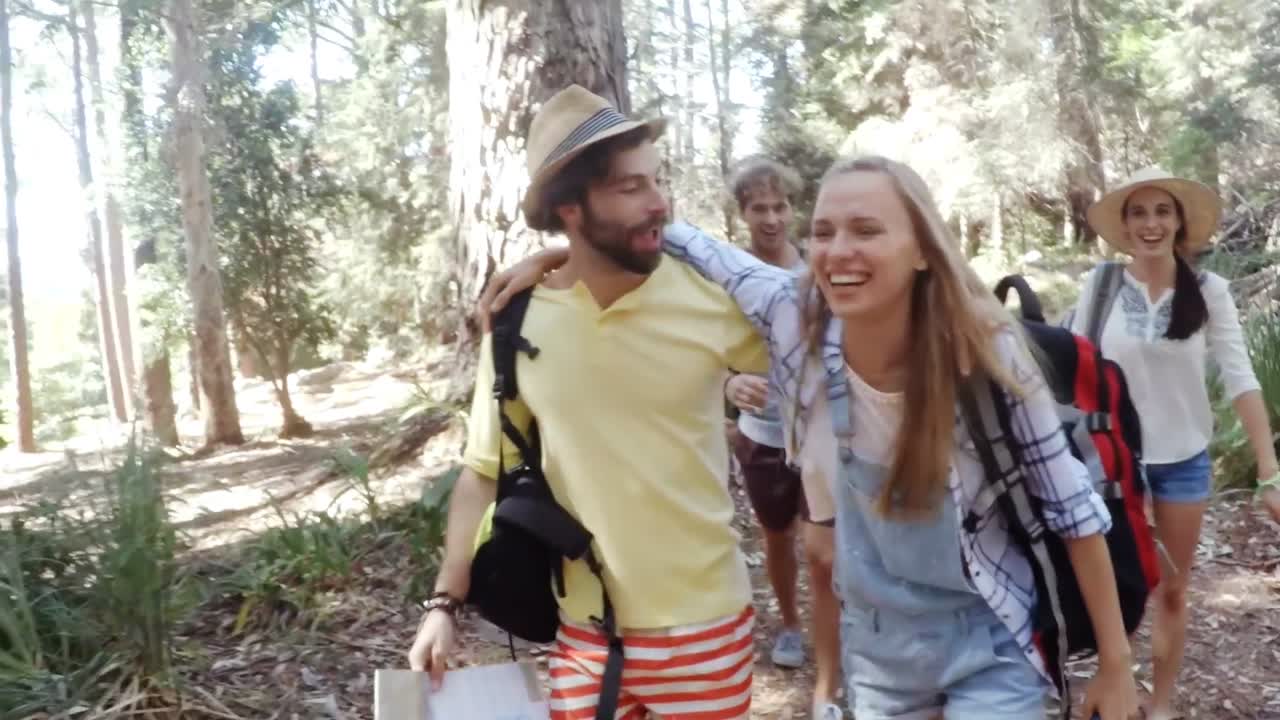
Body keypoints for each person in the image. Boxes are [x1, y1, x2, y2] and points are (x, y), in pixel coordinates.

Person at [489, 155, 1142, 719]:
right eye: (823, 232)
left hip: (991, 634)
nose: (837, 251)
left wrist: (1115, 666)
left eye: (866, 230)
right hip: (880, 651)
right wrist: (563, 254)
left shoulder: (984, 349)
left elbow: (1073, 509)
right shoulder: (793, 314)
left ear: (921, 248)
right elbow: (694, 246)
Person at [406, 85, 770, 719]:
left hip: (705, 627)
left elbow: (816, 352)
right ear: (570, 207)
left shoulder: (713, 298)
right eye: (631, 188)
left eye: (656, 181)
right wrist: (444, 605)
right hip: (585, 633)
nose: (659, 202)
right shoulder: (517, 321)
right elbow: (481, 472)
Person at [1069, 167, 1280, 720]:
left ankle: (1160, 704)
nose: (1151, 224)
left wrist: (1269, 467)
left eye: (1162, 212)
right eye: (1138, 213)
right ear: (1124, 225)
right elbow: (1072, 365)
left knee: (1171, 590)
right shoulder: (1101, 286)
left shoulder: (1209, 291)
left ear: (1180, 222)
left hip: (1182, 462)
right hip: (1113, 463)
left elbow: (1240, 377)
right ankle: (1113, 690)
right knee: (1113, 587)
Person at [721, 157, 842, 719]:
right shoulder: (727, 274)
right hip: (762, 434)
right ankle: (790, 625)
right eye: (758, 208)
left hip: (820, 428)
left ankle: (835, 650)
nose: (771, 218)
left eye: (779, 206)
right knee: (777, 535)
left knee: (825, 547)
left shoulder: (816, 264)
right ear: (742, 213)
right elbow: (702, 348)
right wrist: (727, 381)